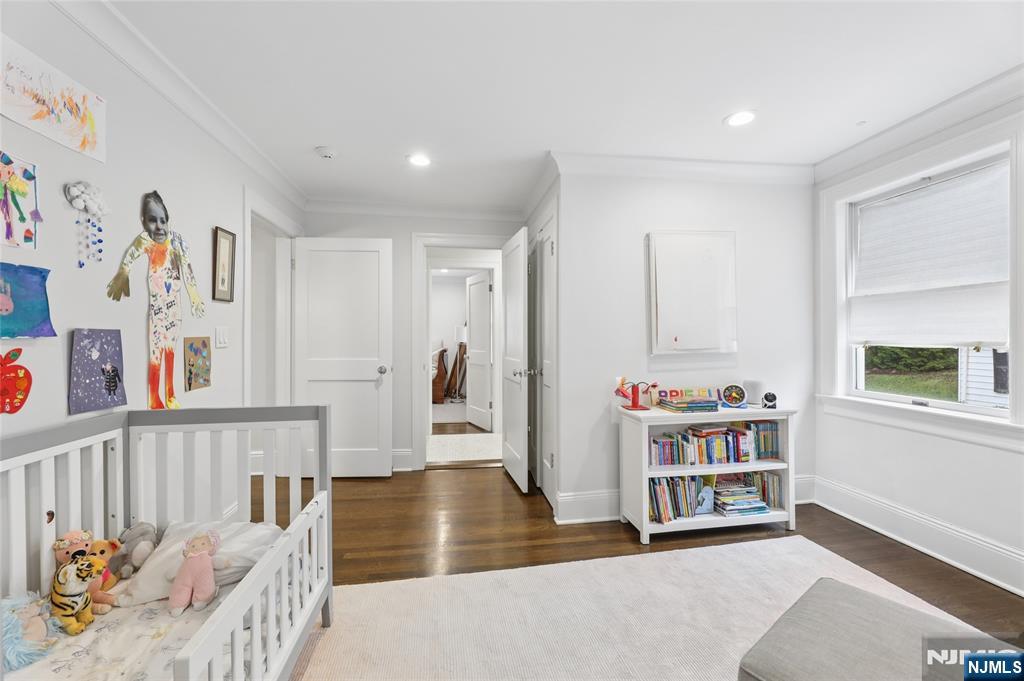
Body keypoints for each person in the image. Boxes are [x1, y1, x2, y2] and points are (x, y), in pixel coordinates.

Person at [107, 191, 204, 409]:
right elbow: (130, 255)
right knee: (155, 352)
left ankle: (170, 393)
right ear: (144, 221)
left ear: (168, 221)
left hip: (175, 307)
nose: (159, 226)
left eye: (163, 220)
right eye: (152, 220)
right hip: (157, 307)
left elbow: (187, 270)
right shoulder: (145, 241)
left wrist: (195, 297)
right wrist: (123, 274)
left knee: (171, 350)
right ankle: (154, 397)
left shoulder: (177, 241)